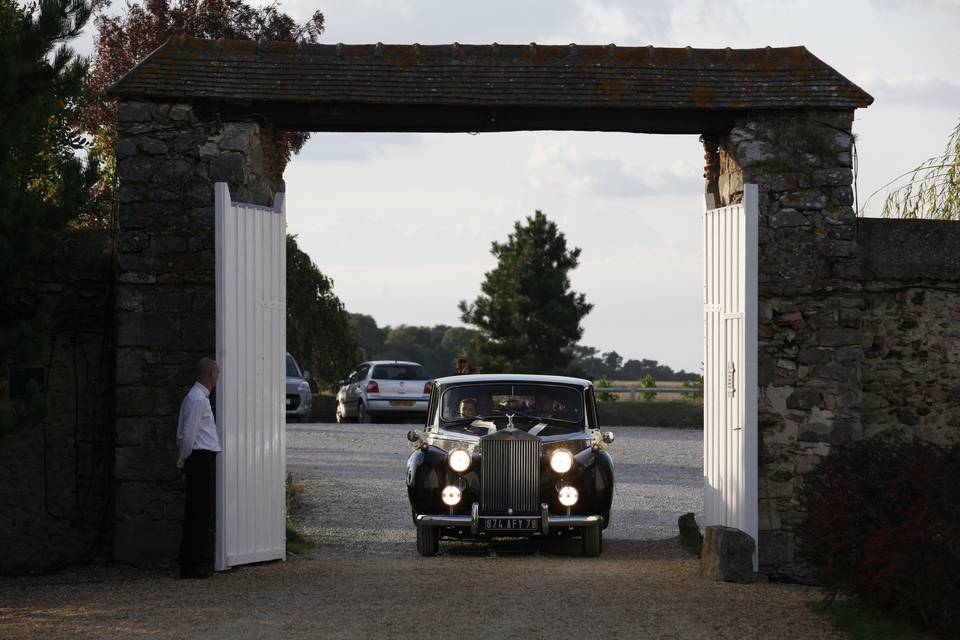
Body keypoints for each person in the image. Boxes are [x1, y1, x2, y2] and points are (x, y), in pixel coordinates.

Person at [176, 357, 222, 579]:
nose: (218, 378)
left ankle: (192, 561)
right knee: (198, 512)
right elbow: (188, 435)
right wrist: (182, 461)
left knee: (199, 511)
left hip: (201, 457)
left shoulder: (197, 398)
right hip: (199, 458)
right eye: (217, 373)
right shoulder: (197, 400)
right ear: (210, 374)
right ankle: (191, 564)